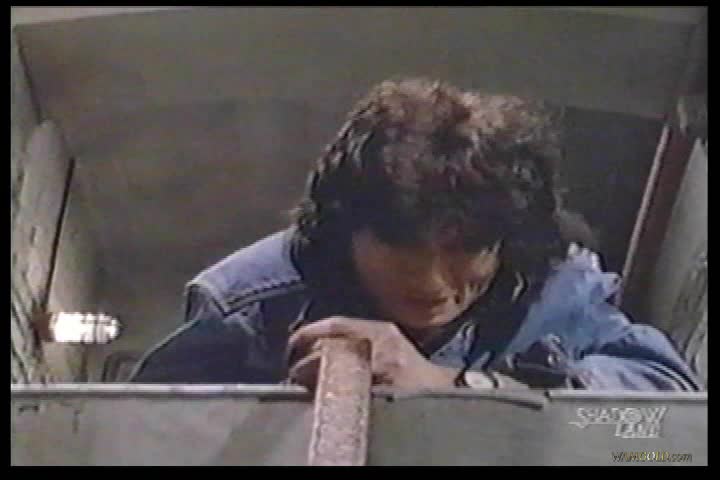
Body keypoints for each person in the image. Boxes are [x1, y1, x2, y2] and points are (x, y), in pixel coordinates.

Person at [131, 78, 699, 391]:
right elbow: (136, 441)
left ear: (508, 239)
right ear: (345, 229)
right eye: (403, 245)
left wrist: (460, 388)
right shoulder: (246, 306)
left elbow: (661, 444)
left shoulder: (556, 289)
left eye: (466, 248)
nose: (433, 282)